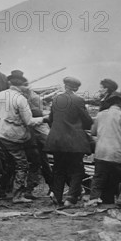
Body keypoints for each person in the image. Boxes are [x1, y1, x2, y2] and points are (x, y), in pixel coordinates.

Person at [0, 70, 43, 203]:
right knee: (22, 165)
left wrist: (1, 118)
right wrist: (44, 119)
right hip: (13, 137)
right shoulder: (20, 99)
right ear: (22, 85)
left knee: (5, 164)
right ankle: (17, 196)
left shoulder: (0, 95)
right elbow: (29, 121)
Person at [44, 76, 93, 206]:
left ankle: (57, 196)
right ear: (76, 88)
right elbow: (87, 121)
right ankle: (70, 198)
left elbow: (51, 119)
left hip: (57, 140)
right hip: (74, 142)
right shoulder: (78, 100)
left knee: (59, 169)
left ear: (65, 86)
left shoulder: (56, 99)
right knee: (77, 170)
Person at [88, 92, 121, 207]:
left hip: (101, 153)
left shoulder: (100, 115)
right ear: (120, 103)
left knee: (99, 176)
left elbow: (93, 132)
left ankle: (93, 200)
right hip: (118, 154)